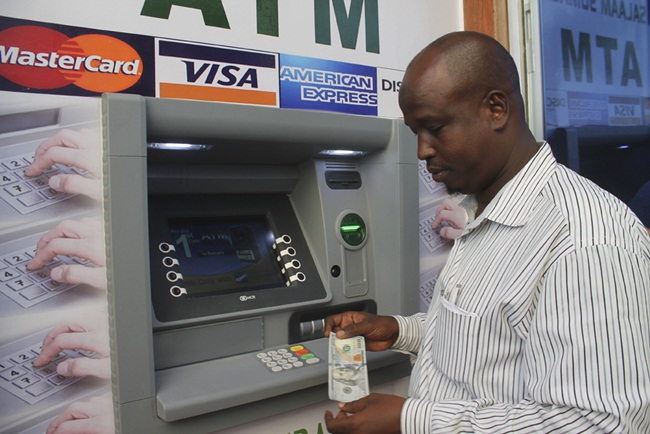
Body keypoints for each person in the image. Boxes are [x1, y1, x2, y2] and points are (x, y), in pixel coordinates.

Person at [324, 31, 650, 434]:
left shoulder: (586, 242)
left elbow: (599, 423)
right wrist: (399, 330)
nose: (422, 150)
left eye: (435, 127)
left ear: (496, 109)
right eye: (415, 133)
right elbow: (489, 338)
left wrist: (410, 419)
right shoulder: (483, 209)